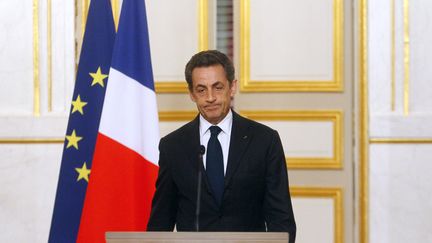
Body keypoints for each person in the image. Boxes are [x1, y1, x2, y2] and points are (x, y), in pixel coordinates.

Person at [147, 50, 296, 242]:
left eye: (218, 88)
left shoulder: (265, 140)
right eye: (201, 90)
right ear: (192, 94)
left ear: (232, 87)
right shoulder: (172, 146)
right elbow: (160, 222)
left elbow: (281, 221)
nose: (210, 97)